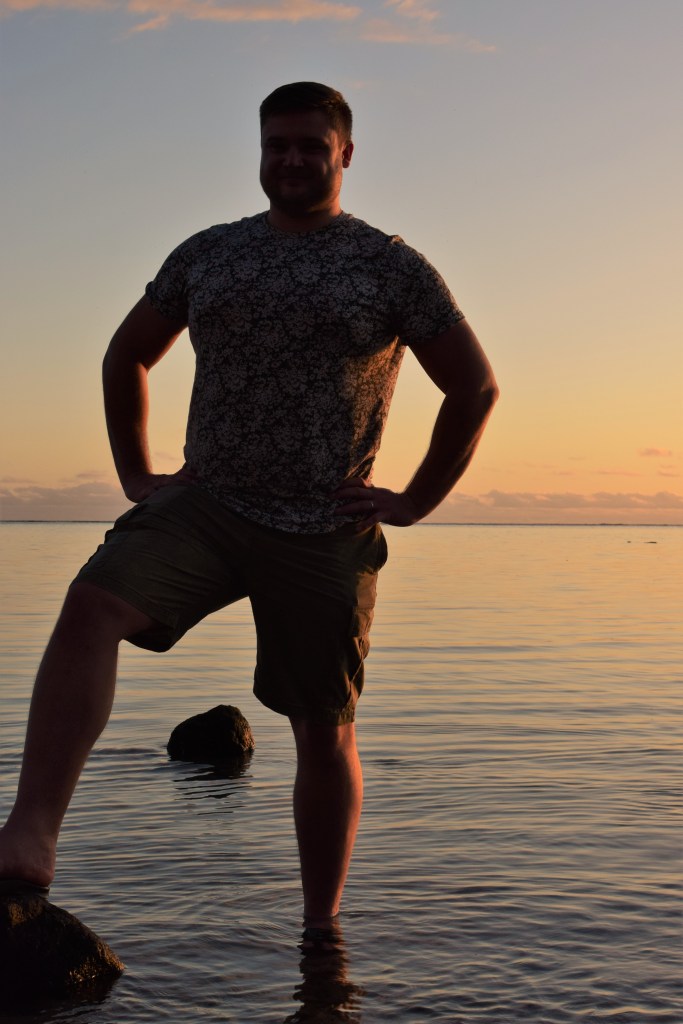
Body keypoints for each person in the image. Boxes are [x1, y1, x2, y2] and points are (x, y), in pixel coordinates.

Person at [0, 82, 498, 944]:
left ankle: (319, 931)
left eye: (311, 145)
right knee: (92, 605)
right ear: (259, 151)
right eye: (277, 145)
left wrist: (415, 500)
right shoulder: (211, 253)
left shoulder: (389, 266)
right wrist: (135, 474)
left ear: (345, 153)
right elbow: (128, 354)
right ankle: (30, 838)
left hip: (322, 525)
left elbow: (474, 385)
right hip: (206, 506)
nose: (292, 159)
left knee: (322, 731)